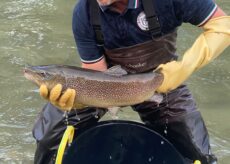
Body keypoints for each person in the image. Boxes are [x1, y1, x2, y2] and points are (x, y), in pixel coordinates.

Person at [32, 0, 230, 163]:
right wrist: (79, 100)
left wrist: (183, 67)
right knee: (50, 133)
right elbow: (96, 75)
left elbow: (222, 24)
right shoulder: (84, 13)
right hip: (107, 84)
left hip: (162, 82)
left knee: (197, 149)